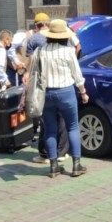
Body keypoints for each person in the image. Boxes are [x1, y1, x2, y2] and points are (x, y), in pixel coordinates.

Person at [32, 19, 89, 178]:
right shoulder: (69, 51)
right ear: (64, 36)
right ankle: (76, 165)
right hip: (66, 92)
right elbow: (77, 75)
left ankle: (53, 166)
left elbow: (34, 74)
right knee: (72, 127)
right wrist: (83, 92)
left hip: (47, 94)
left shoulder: (40, 51)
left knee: (50, 129)